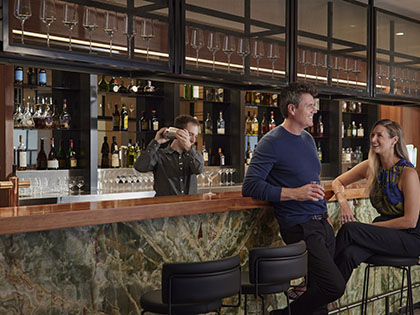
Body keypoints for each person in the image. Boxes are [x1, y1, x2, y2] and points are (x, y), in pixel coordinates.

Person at [242, 82, 345, 315]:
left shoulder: (308, 139)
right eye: (309, 106)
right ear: (291, 109)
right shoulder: (271, 141)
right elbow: (250, 186)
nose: (315, 110)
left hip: (321, 223)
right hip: (299, 226)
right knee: (334, 286)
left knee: (319, 294)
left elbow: (312, 180)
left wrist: (325, 215)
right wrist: (294, 193)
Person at [333, 119, 420, 285]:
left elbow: (410, 221)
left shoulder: (408, 173)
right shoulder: (371, 166)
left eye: (379, 135)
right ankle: (325, 299)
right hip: (386, 234)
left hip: (411, 238)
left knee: (350, 229)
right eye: (372, 135)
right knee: (349, 254)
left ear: (394, 140)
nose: (373, 139)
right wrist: (343, 203)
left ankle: (317, 285)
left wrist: (370, 227)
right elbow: (338, 182)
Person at [134, 114, 204, 197]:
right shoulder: (160, 155)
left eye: (195, 136)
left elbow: (198, 169)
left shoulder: (195, 155)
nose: (193, 140)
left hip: (189, 207)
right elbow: (140, 167)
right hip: (165, 207)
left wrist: (189, 147)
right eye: (190, 134)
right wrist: (156, 142)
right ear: (177, 132)